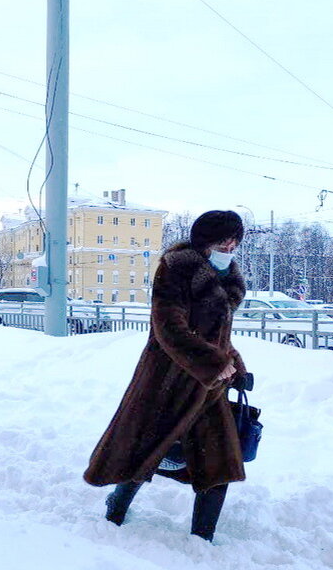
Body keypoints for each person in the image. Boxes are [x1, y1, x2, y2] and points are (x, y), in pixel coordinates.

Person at [84, 210, 247, 542]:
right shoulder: (176, 269)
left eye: (234, 243)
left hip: (208, 387)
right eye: (223, 242)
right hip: (165, 381)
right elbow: (168, 329)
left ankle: (202, 538)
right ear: (205, 242)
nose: (229, 249)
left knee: (218, 462)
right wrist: (214, 363)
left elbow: (220, 337)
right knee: (143, 452)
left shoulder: (226, 278)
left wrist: (236, 367)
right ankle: (116, 506)